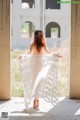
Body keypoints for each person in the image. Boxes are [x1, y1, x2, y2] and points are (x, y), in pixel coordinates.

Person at [19, 30, 61, 109]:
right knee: (38, 81)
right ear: (41, 36)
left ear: (35, 36)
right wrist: (55, 55)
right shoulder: (42, 45)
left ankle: (35, 99)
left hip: (33, 64)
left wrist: (23, 55)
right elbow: (48, 52)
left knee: (34, 81)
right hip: (39, 64)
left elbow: (29, 52)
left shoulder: (32, 44)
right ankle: (36, 99)